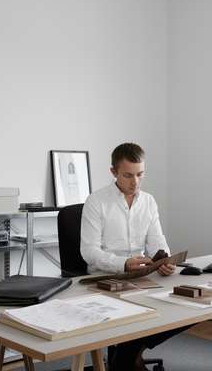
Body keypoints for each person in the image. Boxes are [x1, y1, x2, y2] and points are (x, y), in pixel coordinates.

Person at [80, 142, 183, 371]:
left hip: (142, 277)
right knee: (139, 313)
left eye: (140, 174)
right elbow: (89, 252)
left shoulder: (148, 201)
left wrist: (164, 262)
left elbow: (158, 243)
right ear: (113, 172)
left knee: (186, 309)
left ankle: (129, 352)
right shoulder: (96, 202)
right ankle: (128, 355)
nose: (135, 182)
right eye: (128, 175)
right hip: (105, 279)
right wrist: (123, 263)